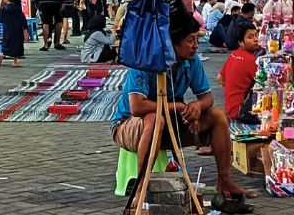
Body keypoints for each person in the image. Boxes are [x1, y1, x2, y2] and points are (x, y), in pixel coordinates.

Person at [110, 14, 256, 202]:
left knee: (218, 115)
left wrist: (196, 107)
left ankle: (225, 181)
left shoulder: (191, 60)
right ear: (171, 43)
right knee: (154, 119)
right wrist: (178, 106)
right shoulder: (144, 61)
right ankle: (141, 187)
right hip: (129, 125)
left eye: (197, 39)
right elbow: (137, 106)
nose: (195, 45)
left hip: (171, 125)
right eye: (189, 40)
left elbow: (207, 98)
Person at [218, 22, 260, 122]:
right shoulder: (252, 60)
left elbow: (220, 78)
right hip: (242, 112)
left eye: (256, 35)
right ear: (241, 42)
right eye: (250, 37)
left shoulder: (233, 54)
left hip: (230, 110)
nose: (255, 40)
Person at [0, 0, 27, 69]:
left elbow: (1, 19)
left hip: (7, 29)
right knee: (17, 45)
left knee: (6, 43)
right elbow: (23, 19)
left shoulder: (4, 8)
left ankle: (1, 54)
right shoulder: (18, 8)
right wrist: (25, 28)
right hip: (17, 30)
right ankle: (15, 62)